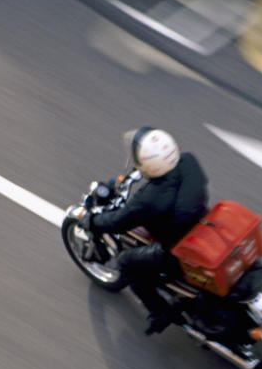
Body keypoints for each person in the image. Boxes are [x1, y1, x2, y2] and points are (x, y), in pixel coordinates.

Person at [79, 127, 208, 335]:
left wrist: (93, 221)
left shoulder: (148, 200)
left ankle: (159, 312)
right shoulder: (189, 161)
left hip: (174, 249)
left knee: (127, 264)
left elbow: (117, 222)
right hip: (202, 224)